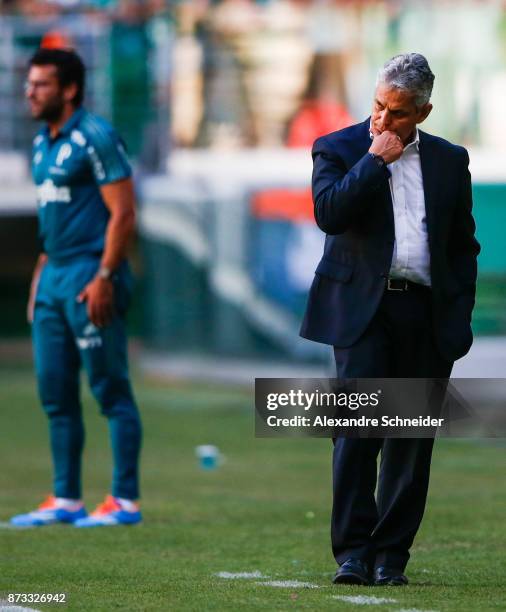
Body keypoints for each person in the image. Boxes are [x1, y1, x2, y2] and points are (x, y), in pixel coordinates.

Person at [300, 53, 480, 585]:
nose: (383, 119)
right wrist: (374, 160)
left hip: (425, 314)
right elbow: (329, 212)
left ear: (423, 112)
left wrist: (459, 313)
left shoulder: (451, 160)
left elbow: (462, 246)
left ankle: (391, 559)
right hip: (363, 312)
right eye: (379, 104)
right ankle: (353, 553)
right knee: (357, 433)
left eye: (398, 113)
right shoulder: (337, 148)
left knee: (411, 440)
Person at [10, 48, 142, 528]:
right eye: (30, 82)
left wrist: (105, 276)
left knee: (110, 390)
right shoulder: (43, 143)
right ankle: (65, 498)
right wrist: (40, 277)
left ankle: (125, 501)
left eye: (41, 83)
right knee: (55, 392)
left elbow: (123, 213)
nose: (30, 91)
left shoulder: (96, 137)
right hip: (53, 278)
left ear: (68, 89)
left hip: (92, 275)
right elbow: (55, 219)